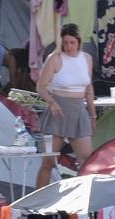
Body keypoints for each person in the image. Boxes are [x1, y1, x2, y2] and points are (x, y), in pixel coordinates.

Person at [36, 24, 97, 188]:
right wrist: (52, 103)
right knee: (48, 161)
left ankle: (84, 201)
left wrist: (92, 114)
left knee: (86, 158)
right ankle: (39, 202)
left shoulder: (87, 58)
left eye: (72, 42)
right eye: (66, 43)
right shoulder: (54, 58)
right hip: (58, 111)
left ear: (78, 41)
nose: (69, 46)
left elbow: (88, 89)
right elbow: (41, 87)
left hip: (78, 110)